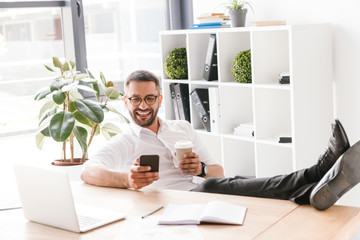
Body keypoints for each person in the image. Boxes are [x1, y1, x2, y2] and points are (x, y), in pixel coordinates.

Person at [81, 69, 360, 211]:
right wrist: (127, 180)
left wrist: (200, 169)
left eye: (150, 98)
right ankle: (320, 170)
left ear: (160, 99)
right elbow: (87, 171)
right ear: (126, 102)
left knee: (236, 181)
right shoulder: (125, 141)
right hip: (175, 206)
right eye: (136, 99)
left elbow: (216, 171)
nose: (143, 105)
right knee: (217, 185)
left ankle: (311, 191)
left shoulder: (182, 127)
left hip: (206, 190)